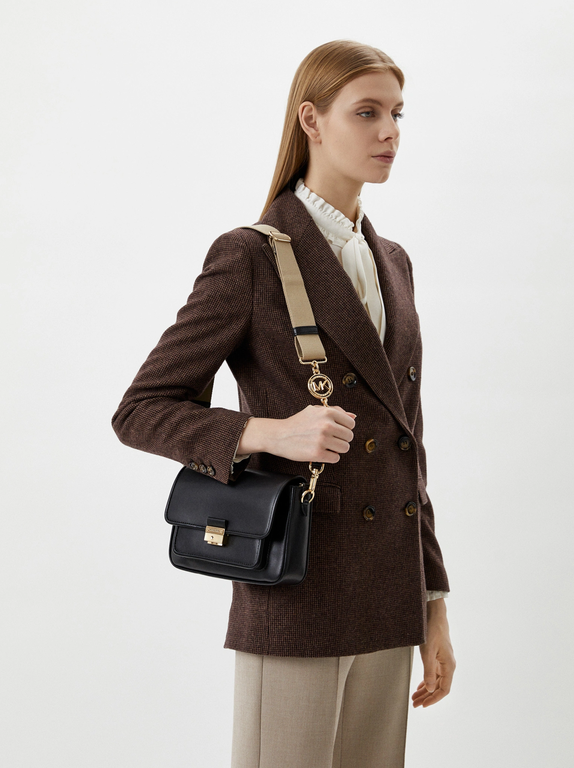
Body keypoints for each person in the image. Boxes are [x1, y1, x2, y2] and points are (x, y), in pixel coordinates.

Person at [112, 39, 456, 768]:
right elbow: (141, 409)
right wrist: (270, 432)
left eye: (397, 114)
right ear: (311, 120)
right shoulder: (251, 255)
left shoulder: (394, 262)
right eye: (367, 112)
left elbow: (409, 451)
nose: (390, 132)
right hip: (296, 593)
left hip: (388, 596)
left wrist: (432, 602)